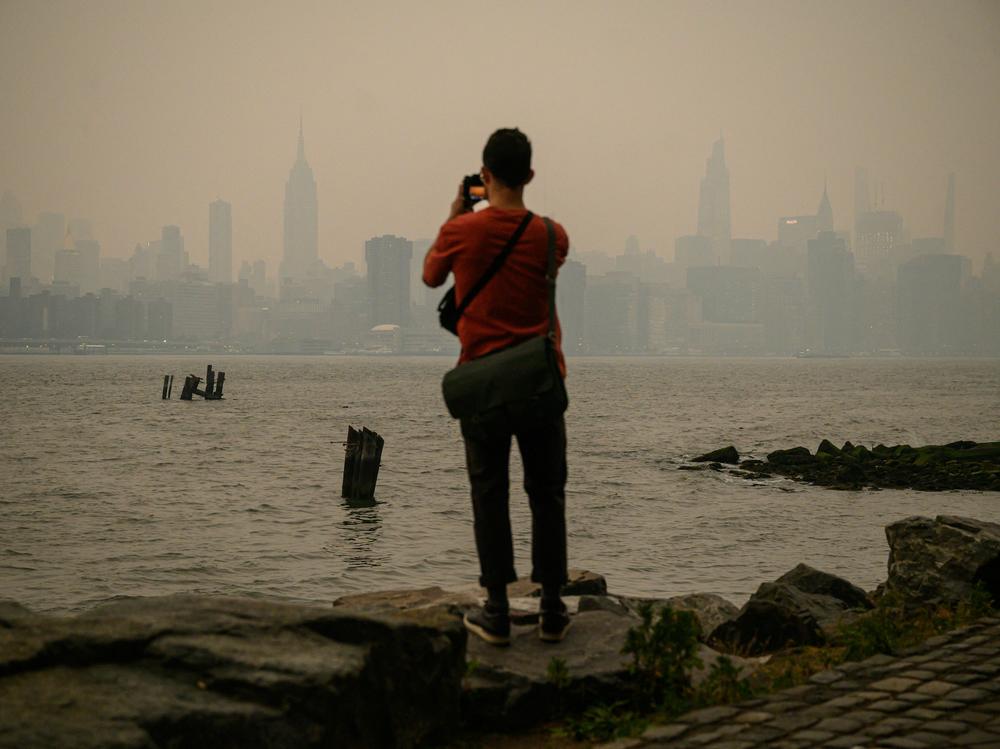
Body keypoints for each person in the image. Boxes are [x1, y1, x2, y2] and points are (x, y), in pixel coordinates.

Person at [423, 128, 571, 646]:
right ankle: (553, 609)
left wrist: (458, 211)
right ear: (530, 175)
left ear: (484, 176)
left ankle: (498, 613)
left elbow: (429, 276)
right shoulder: (554, 235)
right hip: (538, 381)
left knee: (490, 494)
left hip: (483, 383)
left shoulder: (463, 231)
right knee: (547, 494)